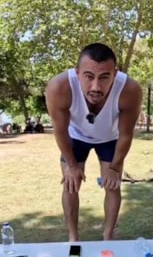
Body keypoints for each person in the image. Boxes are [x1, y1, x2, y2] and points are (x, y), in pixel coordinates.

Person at [44, 42, 143, 241]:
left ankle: (108, 237)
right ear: (77, 73)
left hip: (110, 138)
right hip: (75, 137)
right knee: (70, 183)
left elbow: (126, 134)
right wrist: (72, 166)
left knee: (112, 185)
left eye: (104, 77)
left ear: (115, 74)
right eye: (89, 77)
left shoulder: (130, 89)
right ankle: (73, 237)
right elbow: (60, 130)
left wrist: (115, 168)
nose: (96, 87)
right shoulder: (59, 87)